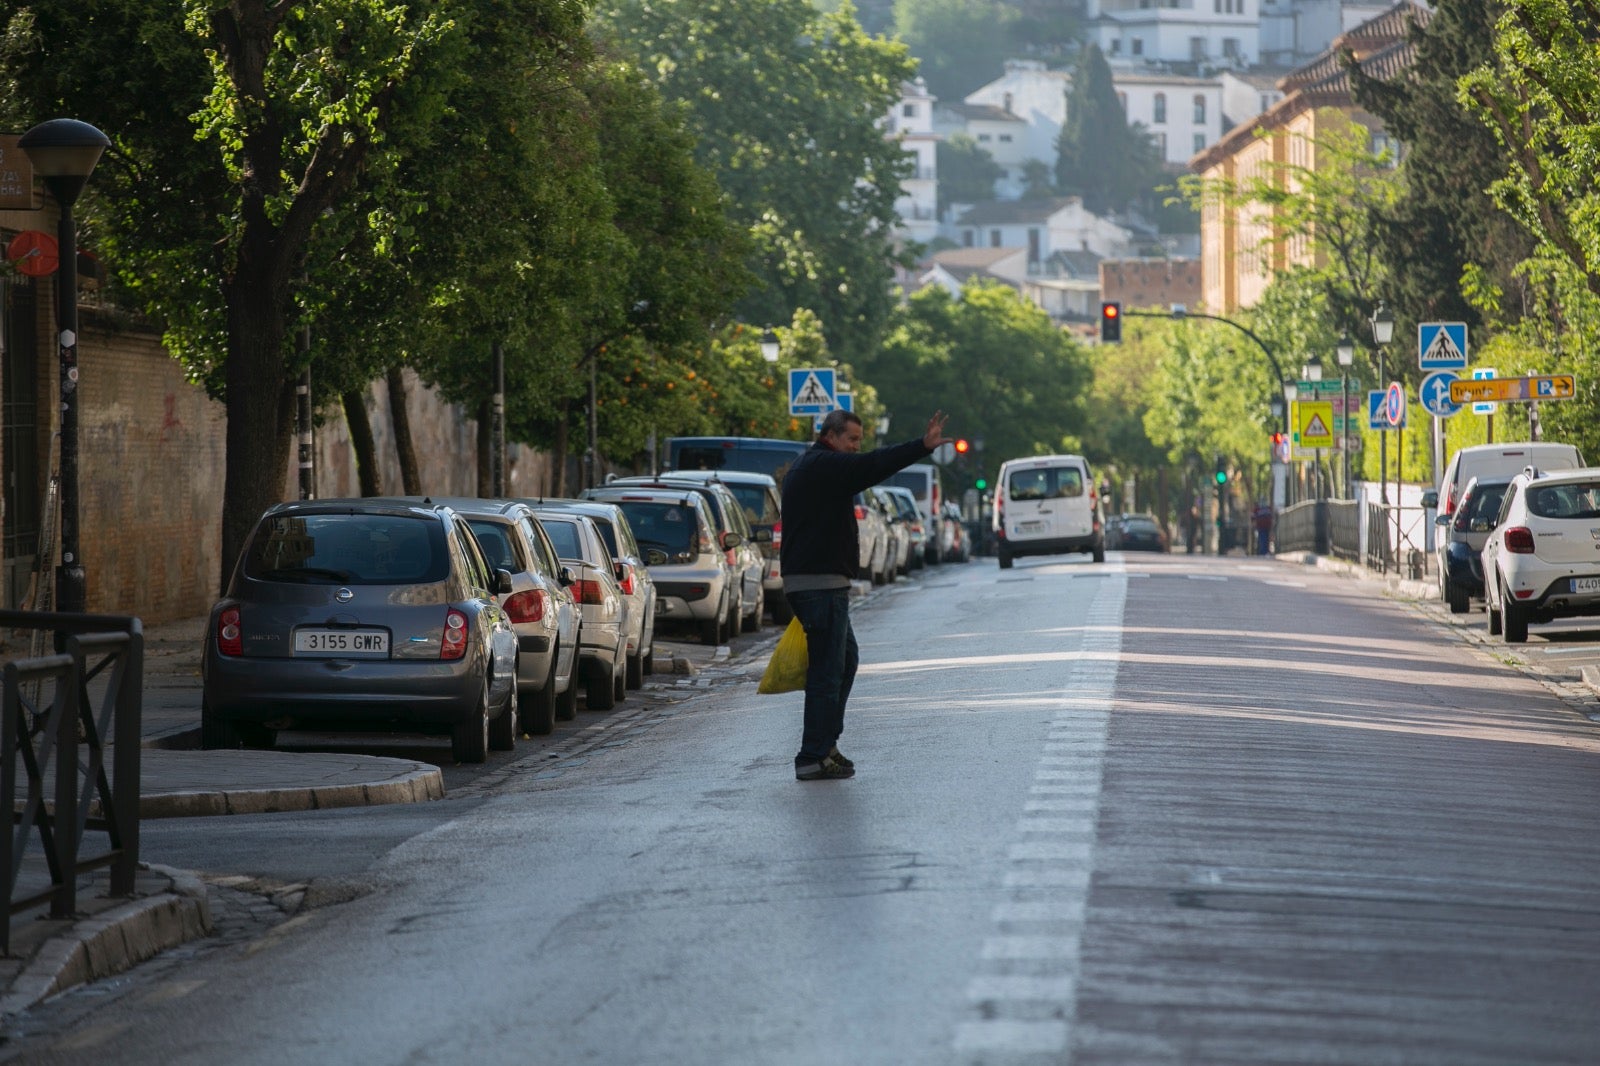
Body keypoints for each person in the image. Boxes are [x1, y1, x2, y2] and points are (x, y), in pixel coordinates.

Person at [780, 408, 952, 781]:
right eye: (853, 440)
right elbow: (875, 465)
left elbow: (867, 465)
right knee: (828, 671)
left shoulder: (813, 466)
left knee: (844, 660)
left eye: (860, 441)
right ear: (831, 435)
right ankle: (813, 754)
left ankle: (825, 745)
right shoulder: (824, 466)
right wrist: (921, 446)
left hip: (818, 582)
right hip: (819, 584)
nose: (857, 448)